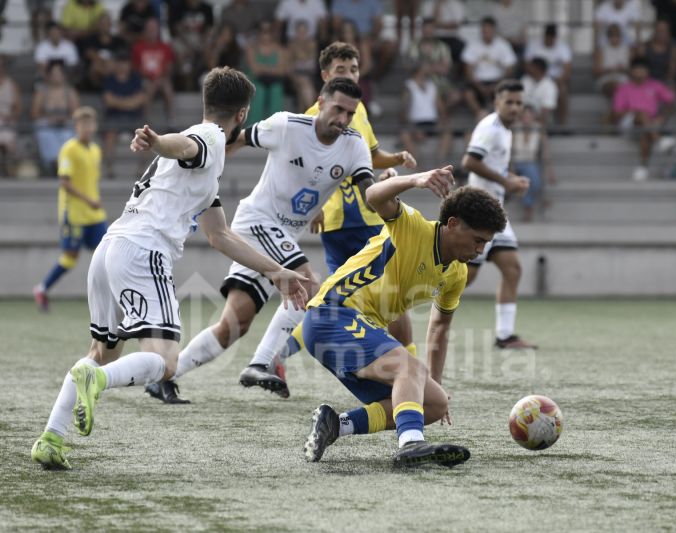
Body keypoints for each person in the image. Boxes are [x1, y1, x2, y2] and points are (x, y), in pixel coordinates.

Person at [30, 66, 308, 470]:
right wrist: (159, 140)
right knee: (165, 362)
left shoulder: (205, 174)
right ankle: (98, 384)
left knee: (101, 353)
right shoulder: (211, 137)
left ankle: (51, 438)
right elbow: (186, 145)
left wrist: (277, 271)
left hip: (111, 248)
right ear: (243, 114)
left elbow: (221, 236)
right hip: (143, 251)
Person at [147, 43, 418, 404]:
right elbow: (234, 139)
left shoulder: (353, 146)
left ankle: (165, 376)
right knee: (307, 284)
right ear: (320, 102)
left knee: (234, 324)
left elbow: (369, 192)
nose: (342, 119)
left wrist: (396, 180)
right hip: (256, 221)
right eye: (337, 109)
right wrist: (199, 174)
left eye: (349, 114)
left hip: (281, 235)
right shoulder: (286, 125)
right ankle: (263, 362)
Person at [302, 174, 507, 467]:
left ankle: (336, 424)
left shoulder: (457, 274)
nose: (480, 250)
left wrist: (433, 382)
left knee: (434, 404)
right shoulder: (412, 226)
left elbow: (439, 327)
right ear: (452, 225)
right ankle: (411, 444)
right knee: (408, 368)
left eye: (486, 243)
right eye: (477, 240)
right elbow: (373, 196)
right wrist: (417, 179)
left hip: (357, 330)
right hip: (332, 314)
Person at [460, 79, 535, 349]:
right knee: (465, 276)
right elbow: (469, 161)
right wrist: (506, 183)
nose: (515, 107)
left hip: (494, 211)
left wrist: (511, 179)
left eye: (518, 103)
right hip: (479, 210)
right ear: (497, 102)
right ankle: (406, 303)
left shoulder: (505, 130)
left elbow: (490, 165)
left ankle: (505, 335)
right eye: (509, 102)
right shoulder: (490, 128)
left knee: (512, 268)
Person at [33, 107, 105, 311]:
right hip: (74, 214)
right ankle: (42, 289)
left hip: (95, 214)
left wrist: (94, 201)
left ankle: (110, 297)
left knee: (108, 254)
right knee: (70, 258)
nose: (87, 128)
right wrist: (89, 200)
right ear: (76, 127)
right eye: (83, 124)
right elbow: (64, 182)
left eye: (90, 124)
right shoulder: (69, 149)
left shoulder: (95, 150)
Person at [612, 57, 676, 181]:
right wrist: (636, 113)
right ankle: (659, 140)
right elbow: (617, 113)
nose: (640, 72)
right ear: (631, 71)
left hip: (650, 124)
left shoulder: (656, 85)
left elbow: (672, 104)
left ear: (648, 71)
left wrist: (662, 117)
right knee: (642, 115)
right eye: (637, 69)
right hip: (629, 123)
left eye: (643, 69)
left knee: (645, 132)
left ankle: (643, 168)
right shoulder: (624, 88)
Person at [461, 16, 518, 119]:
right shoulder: (473, 45)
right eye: (484, 30)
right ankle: (480, 114)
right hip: (478, 81)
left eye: (488, 30)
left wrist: (497, 84)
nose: (486, 33)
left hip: (498, 81)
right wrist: (479, 86)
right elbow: (467, 70)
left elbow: (510, 68)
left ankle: (497, 115)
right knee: (468, 93)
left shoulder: (503, 45)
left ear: (494, 30)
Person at [102, 51, 146, 178]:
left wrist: (119, 102)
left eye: (125, 63)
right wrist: (129, 103)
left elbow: (140, 99)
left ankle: (141, 170)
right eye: (120, 63)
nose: (122, 66)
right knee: (109, 135)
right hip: (113, 118)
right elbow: (108, 100)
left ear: (129, 64)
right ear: (116, 64)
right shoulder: (110, 79)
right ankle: (109, 169)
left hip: (134, 118)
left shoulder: (135, 78)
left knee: (146, 136)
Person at [31, 61, 80, 175]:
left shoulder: (70, 92)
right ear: (48, 76)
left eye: (59, 74)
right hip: (47, 124)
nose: (56, 77)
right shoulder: (41, 92)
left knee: (68, 134)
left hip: (65, 125)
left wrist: (63, 118)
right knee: (43, 130)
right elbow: (34, 113)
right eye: (54, 74)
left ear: (64, 75)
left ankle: (63, 162)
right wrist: (49, 119)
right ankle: (52, 163)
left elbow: (77, 114)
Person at [400, 60, 450, 162]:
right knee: (405, 135)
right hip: (415, 123)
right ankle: (417, 166)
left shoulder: (432, 86)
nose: (430, 69)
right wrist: (413, 128)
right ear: (419, 69)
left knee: (447, 133)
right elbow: (404, 110)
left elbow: (441, 107)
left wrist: (442, 121)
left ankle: (440, 163)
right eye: (426, 66)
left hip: (432, 123)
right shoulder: (409, 86)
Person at [523, 23, 572, 125]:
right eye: (548, 37)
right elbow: (527, 65)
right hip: (535, 76)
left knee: (562, 91)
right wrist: (536, 75)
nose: (549, 40)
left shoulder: (562, 47)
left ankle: (562, 125)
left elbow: (567, 69)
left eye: (552, 37)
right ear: (544, 36)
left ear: (555, 37)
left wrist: (559, 80)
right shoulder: (534, 45)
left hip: (556, 79)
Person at [132, 17, 175, 127]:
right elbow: (135, 68)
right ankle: (145, 118)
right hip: (144, 79)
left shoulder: (165, 47)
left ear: (158, 30)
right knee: (150, 86)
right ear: (145, 30)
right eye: (149, 29)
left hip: (161, 79)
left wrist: (159, 78)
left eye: (154, 29)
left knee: (167, 87)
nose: (152, 31)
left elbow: (169, 67)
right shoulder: (138, 47)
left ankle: (170, 119)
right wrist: (149, 77)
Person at [512, 105, 552, 222]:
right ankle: (529, 208)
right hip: (516, 162)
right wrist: (510, 167)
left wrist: (550, 170)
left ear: (534, 117)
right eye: (524, 116)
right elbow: (508, 150)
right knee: (530, 177)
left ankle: (528, 207)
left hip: (531, 162)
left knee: (534, 180)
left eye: (529, 116)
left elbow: (545, 151)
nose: (526, 119)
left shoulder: (539, 129)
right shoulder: (515, 128)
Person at [244, 20, 287, 125]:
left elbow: (281, 71)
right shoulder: (251, 48)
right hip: (255, 80)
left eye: (268, 31)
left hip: (274, 81)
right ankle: (252, 128)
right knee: (259, 91)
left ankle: (276, 127)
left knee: (276, 90)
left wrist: (263, 68)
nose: (266, 34)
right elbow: (255, 70)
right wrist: (272, 68)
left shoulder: (280, 49)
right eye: (263, 31)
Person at [0, 54, 21, 177]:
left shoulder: (11, 85)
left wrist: (10, 116)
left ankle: (9, 172)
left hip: (7, 122)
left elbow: (18, 108)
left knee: (8, 139)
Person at [521, 56, 558, 125]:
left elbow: (547, 108)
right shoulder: (525, 80)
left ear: (538, 69)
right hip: (522, 116)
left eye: (532, 67)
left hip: (541, 119)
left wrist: (533, 119)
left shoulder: (550, 85)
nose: (528, 68)